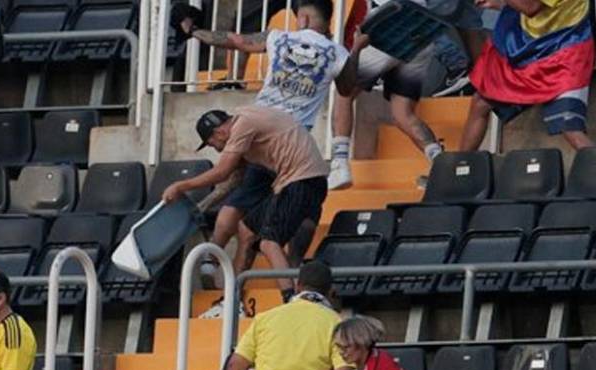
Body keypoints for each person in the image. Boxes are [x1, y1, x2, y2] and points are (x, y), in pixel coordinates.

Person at [179, 0, 368, 264]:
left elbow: (234, 40)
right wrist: (356, 50)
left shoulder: (278, 38)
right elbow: (348, 90)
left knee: (235, 199)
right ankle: (293, 268)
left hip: (258, 134)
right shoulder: (337, 53)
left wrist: (193, 30)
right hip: (295, 148)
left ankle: (211, 263)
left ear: (301, 18)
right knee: (296, 214)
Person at [162, 107, 329, 295]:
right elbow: (233, 179)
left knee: (268, 243)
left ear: (220, 132)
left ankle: (290, 298)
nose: (218, 150)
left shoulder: (243, 125)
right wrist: (202, 205)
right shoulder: (250, 124)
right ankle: (233, 297)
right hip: (310, 181)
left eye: (213, 145)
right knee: (246, 229)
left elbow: (222, 171)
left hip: (300, 181)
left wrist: (180, 186)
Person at [327, 0, 482, 190]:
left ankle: (339, 164)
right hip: (420, 37)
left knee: (344, 92)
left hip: (391, 31)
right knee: (403, 113)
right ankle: (439, 163)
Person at [221, 261, 355, 370]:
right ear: (330, 291)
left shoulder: (266, 318)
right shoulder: (335, 324)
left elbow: (236, 364)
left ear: (298, 286)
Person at [457, 0, 594, 152]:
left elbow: (531, 7)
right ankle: (459, 168)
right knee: (480, 103)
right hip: (529, 48)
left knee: (569, 125)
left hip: (561, 53)